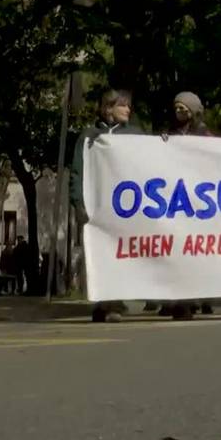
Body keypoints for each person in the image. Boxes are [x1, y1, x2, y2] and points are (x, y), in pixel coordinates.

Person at [69, 89, 143, 322]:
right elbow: (78, 171)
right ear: (108, 108)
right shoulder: (89, 136)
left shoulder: (136, 135)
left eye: (129, 106)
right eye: (122, 105)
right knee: (99, 255)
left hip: (126, 208)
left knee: (120, 254)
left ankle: (114, 303)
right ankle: (104, 302)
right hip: (97, 205)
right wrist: (78, 201)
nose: (128, 109)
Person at [159, 91, 215, 320]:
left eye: (184, 108)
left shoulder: (204, 133)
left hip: (199, 200)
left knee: (196, 252)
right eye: (177, 108)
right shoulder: (170, 132)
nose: (180, 112)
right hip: (177, 199)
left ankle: (198, 298)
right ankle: (179, 300)